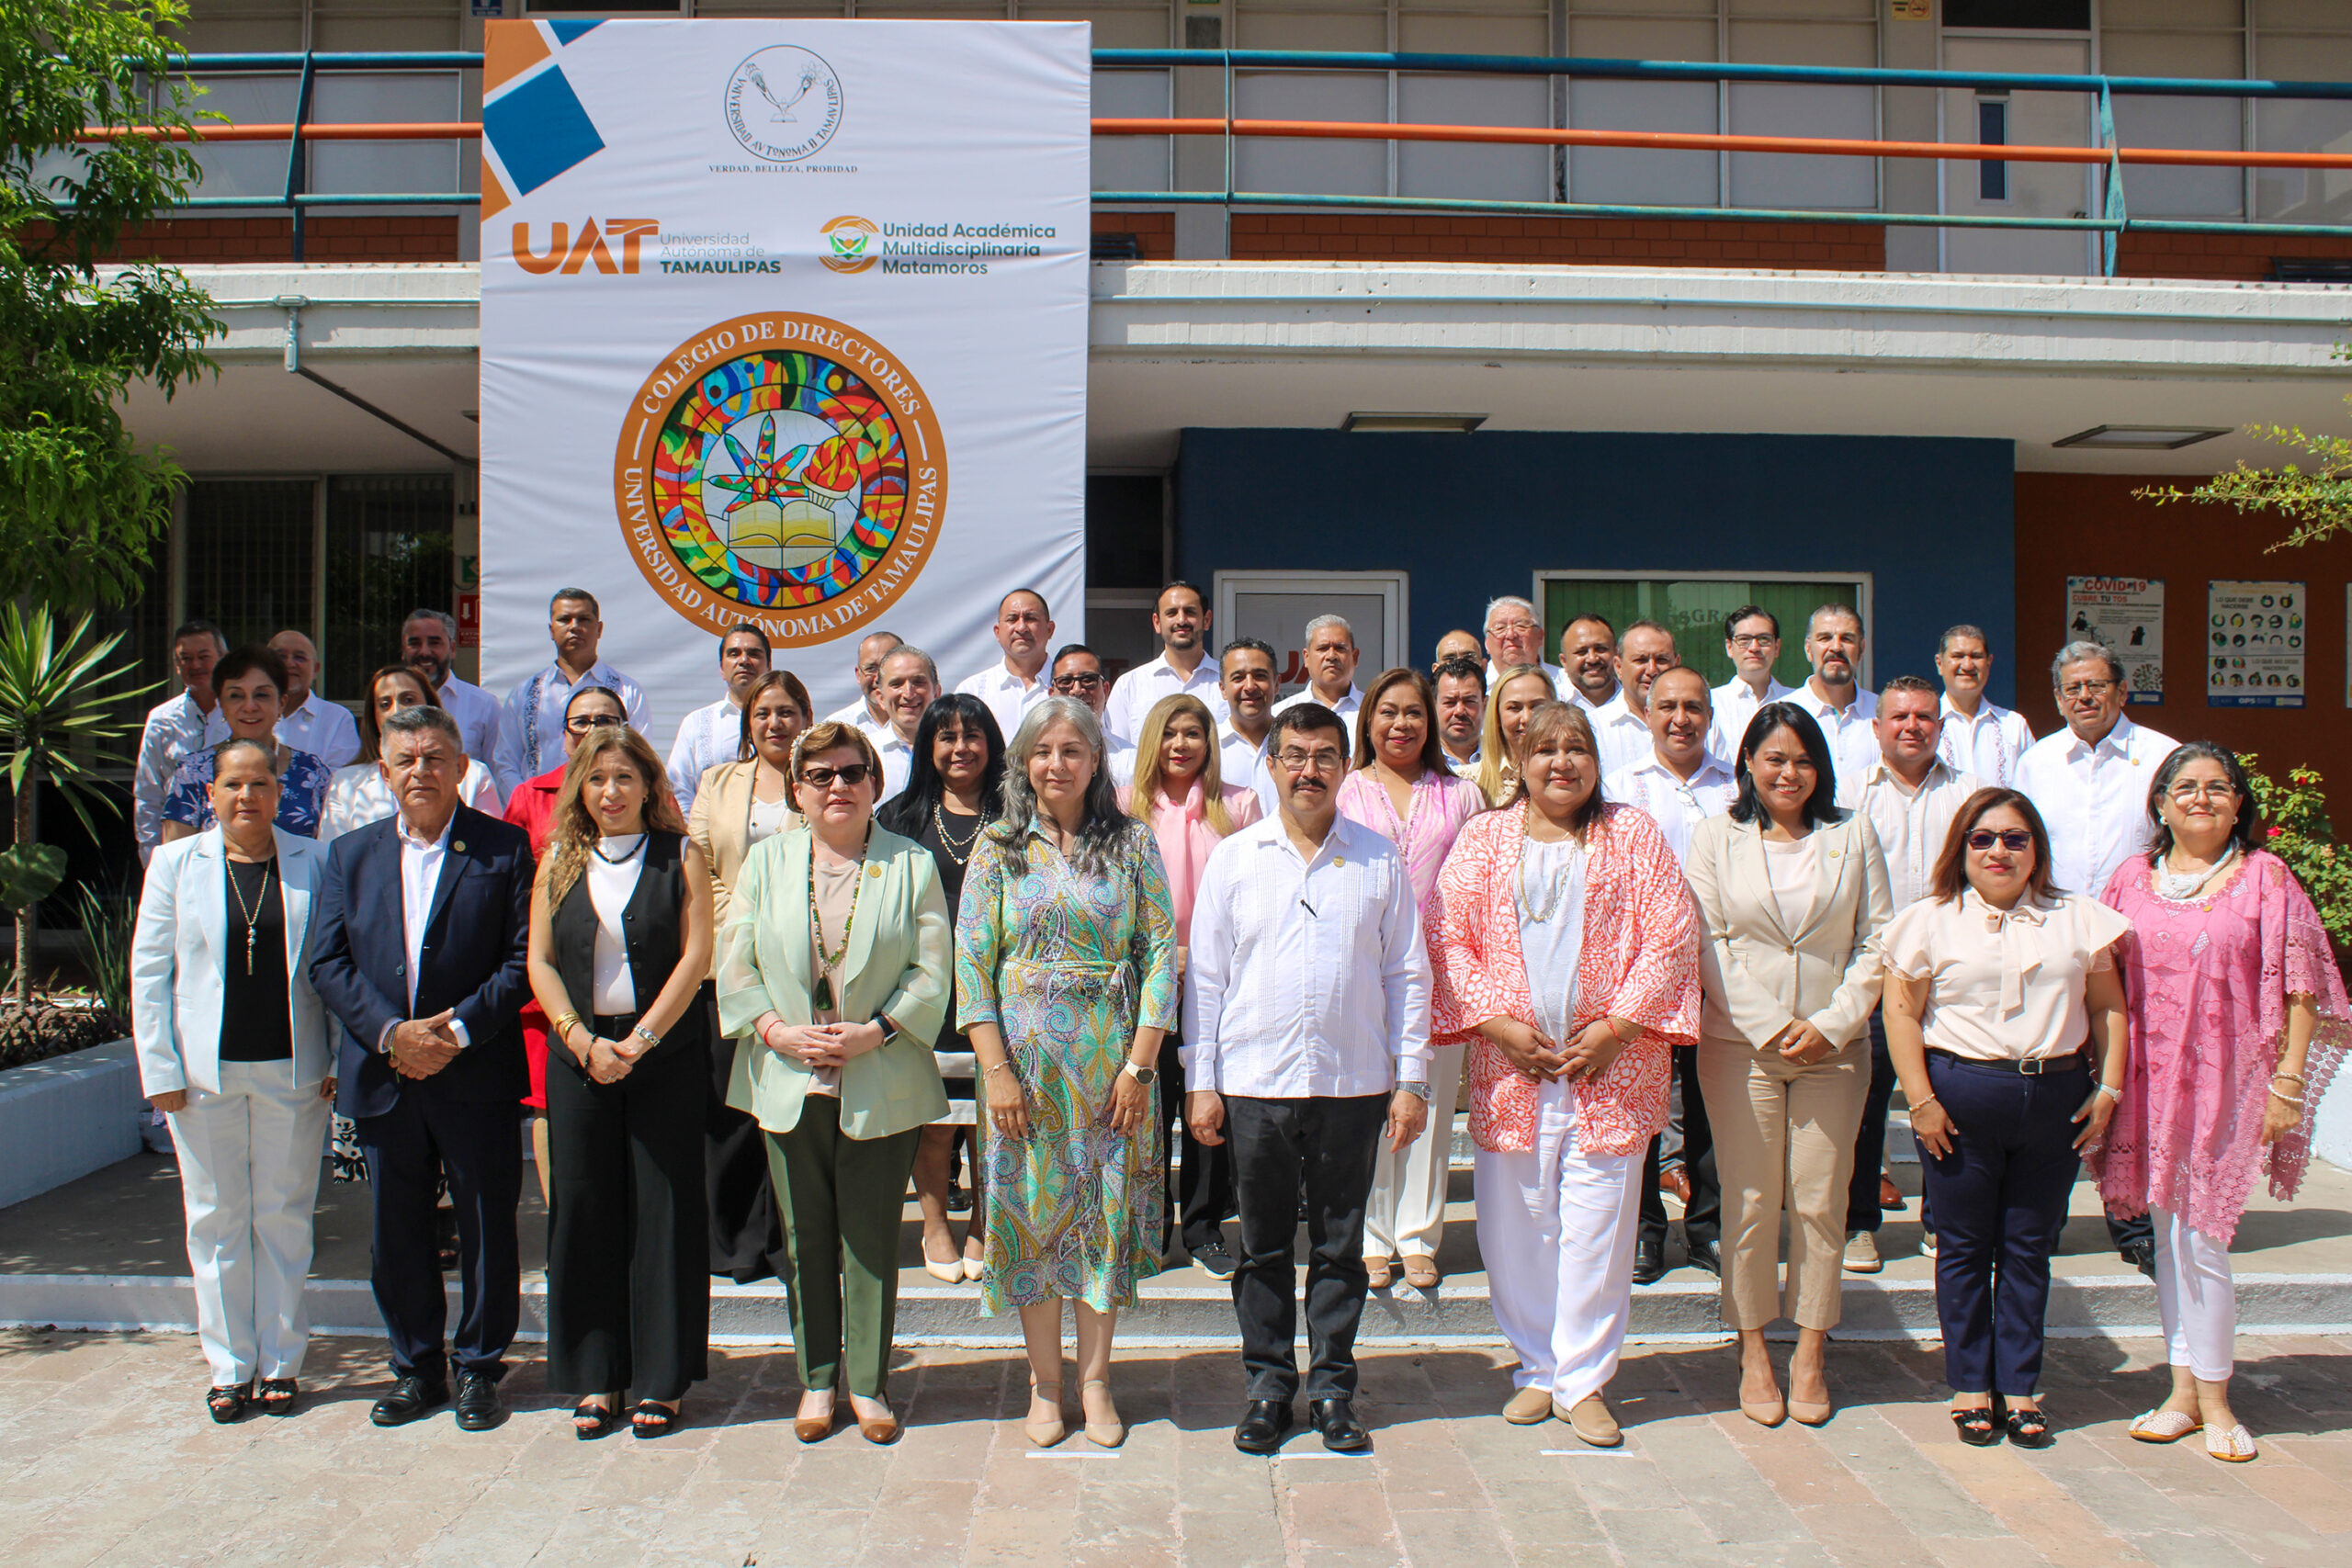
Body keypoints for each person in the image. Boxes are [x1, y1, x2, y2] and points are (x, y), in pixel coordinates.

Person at [1430, 702, 1702, 1445]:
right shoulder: (1485, 836)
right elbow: (1447, 934)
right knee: (1516, 1224)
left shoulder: (1633, 833)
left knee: (1597, 1228)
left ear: (1596, 759)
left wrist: (1617, 1028)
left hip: (1610, 1066)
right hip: (1511, 1066)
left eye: (1576, 747)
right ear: (1517, 759)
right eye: (1543, 748)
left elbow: (1673, 933)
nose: (1561, 762)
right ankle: (1536, 1368)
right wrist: (1496, 1023)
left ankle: (1584, 1379)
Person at [2092, 743, 2348, 1463]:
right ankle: (2180, 1390)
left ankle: (2215, 1396)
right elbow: (2099, 980)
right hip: (2148, 1083)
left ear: (2240, 803)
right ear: (2160, 802)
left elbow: (2305, 988)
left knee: (2202, 1239)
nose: (2200, 798)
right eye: (2185, 787)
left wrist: (2289, 1082)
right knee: (2166, 1243)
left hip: (2230, 1085)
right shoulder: (2130, 880)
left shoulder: (2266, 877)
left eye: (2217, 787)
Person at [1185, 703, 1430, 1456]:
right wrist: (1202, 1078)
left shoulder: (1379, 858)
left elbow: (1407, 973)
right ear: (1271, 764)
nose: (1309, 770)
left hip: (1352, 1081)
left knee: (1339, 1246)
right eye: (1294, 755)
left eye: (1325, 755)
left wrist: (1412, 1076)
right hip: (1255, 1079)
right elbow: (1206, 977)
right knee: (1260, 1247)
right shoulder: (1236, 857)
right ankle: (1266, 1386)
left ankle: (1331, 1388)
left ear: (1344, 766)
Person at [956, 696, 1178, 1450]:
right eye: (1043, 751)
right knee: (1028, 1218)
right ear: (1023, 761)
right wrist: (998, 1072)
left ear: (1094, 761)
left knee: (1102, 1220)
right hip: (1022, 1064)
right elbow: (971, 966)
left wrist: (1141, 1067)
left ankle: (1096, 1380)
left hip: (1109, 1061)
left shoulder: (1133, 845)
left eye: (1071, 750)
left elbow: (1160, 958)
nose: (1057, 764)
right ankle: (1044, 1386)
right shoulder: (997, 848)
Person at [722, 720, 953, 1446]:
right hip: (788, 1073)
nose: (837, 786)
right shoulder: (767, 862)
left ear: (875, 783)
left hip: (878, 1072)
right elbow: (738, 964)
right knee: (805, 1235)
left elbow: (933, 969)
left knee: (871, 1237)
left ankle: (869, 1383)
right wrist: (774, 1030)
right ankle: (818, 1378)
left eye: (851, 772)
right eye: (819, 775)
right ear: (797, 790)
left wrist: (876, 1031)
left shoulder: (910, 863)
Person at [309, 705, 535, 1432]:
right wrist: (390, 1034)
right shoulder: (351, 855)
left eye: (435, 757)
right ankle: (417, 1368)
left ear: (461, 764)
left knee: (485, 1225)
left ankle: (477, 1367)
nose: (421, 771)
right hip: (386, 1073)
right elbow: (328, 962)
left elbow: (522, 960)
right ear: (383, 770)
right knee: (395, 1231)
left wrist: (458, 1030)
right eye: (405, 759)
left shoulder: (504, 848)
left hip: (475, 1073)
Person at [1882, 789, 2129, 1450]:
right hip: (1962, 1099)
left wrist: (2108, 1086)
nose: (1999, 851)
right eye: (1983, 838)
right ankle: (1969, 1382)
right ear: (1961, 848)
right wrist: (1922, 1100)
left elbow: (2108, 1006)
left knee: (2027, 1246)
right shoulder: (1929, 919)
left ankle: (2018, 1385)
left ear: (2036, 850)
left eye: (2015, 838)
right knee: (1963, 1246)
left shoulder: (2077, 917)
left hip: (2055, 1097)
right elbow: (1901, 1014)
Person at [1683, 702, 1891, 1428]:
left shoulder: (1852, 831)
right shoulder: (1716, 836)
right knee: (1745, 1203)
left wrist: (1833, 1023)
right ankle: (1751, 1352)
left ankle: (1808, 1351)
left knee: (1817, 1203)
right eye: (1774, 758)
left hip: (1835, 1052)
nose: (1788, 772)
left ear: (1819, 768)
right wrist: (1771, 1023)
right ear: (1747, 762)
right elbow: (1706, 939)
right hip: (1742, 1047)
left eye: (1802, 759)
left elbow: (1879, 939)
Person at [130, 739, 336, 1422]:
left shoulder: (315, 859)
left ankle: (281, 1364)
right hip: (201, 1077)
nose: (247, 796)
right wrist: (158, 1069)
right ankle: (229, 1367)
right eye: (233, 784)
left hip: (293, 1069)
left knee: (282, 1218)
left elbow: (334, 967)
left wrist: (334, 1059)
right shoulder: (173, 863)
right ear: (210, 793)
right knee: (216, 1220)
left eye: (260, 783)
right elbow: (149, 972)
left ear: (279, 791)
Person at [526, 722, 713, 1439]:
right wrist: (579, 1037)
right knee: (584, 1209)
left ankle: (661, 1380)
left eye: (625, 778)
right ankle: (595, 1374)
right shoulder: (560, 858)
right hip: (578, 1059)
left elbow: (697, 955)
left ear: (648, 787)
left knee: (664, 1212)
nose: (611, 792)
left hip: (660, 1054)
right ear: (581, 787)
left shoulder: (679, 855)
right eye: (598, 779)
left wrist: (638, 1040)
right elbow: (540, 959)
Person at [2013, 638, 2176, 1268]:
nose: (2085, 696)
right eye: (2073, 688)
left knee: (2130, 1081)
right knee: (2055, 1080)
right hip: (2054, 942)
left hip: (2138, 947)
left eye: (2097, 685)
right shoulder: (2037, 760)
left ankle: (2132, 1219)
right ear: (2057, 697)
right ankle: (2044, 1216)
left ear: (2121, 690)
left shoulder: (2159, 755)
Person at [1335, 669, 1482, 1292]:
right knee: (1370, 1102)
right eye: (1388, 712)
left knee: (1428, 1101)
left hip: (1442, 971)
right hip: (1363, 968)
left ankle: (1418, 1234)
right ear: (1367, 721)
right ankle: (1371, 1235)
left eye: (1414, 712)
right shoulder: (1344, 790)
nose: (1402, 724)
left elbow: (1480, 886)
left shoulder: (1464, 795)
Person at [1833, 675, 1983, 1276]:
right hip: (1874, 973)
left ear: (1940, 726)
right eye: (1899, 717)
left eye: (1924, 716)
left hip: (1953, 976)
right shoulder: (1848, 795)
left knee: (1949, 1096)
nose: (1911, 725)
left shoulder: (1972, 794)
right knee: (1863, 1104)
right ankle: (1857, 1224)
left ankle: (1942, 1220)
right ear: (1878, 727)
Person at [1119, 692, 1262, 1277]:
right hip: (1142, 980)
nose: (1182, 745)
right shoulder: (1124, 805)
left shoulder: (1240, 805)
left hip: (1218, 981)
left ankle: (1204, 1227)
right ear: (1155, 738)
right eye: (1171, 733)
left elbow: (1256, 891)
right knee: (1148, 1105)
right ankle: (1148, 1227)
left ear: (1210, 743)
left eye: (1194, 734)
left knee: (1208, 1105)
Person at [1605, 665, 1737, 1285]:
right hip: (1642, 971)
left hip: (1720, 968)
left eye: (1693, 706)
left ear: (1709, 716)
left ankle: (1708, 1228)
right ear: (1648, 714)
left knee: (1710, 1102)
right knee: (1644, 1105)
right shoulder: (1620, 786)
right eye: (1668, 707)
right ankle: (1643, 1232)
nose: (1681, 718)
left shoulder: (1737, 785)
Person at [876, 694, 1007, 1285]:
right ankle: (933, 1223)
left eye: (973, 736)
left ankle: (985, 1219)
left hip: (1000, 990)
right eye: (947, 737)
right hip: (922, 989)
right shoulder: (898, 817)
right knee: (933, 1117)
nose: (961, 748)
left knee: (992, 1114)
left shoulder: (1018, 815)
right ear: (928, 747)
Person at [687, 670, 810, 1282]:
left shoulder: (819, 780)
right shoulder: (718, 781)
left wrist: (775, 926)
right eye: (764, 712)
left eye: (787, 711)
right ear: (748, 721)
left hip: (796, 968)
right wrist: (745, 922)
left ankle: (788, 1240)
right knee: (729, 1110)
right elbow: (700, 860)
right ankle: (735, 1240)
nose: (775, 722)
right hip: (725, 965)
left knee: (786, 1108)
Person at [504, 684, 636, 1205]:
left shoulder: (651, 793)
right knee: (548, 1110)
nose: (594, 728)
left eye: (607, 718)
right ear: (563, 737)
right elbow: (511, 893)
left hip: (632, 985)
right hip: (552, 990)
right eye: (582, 721)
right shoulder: (530, 797)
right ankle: (568, 1220)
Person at [160, 647, 334, 843]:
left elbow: (330, 852)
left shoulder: (312, 771)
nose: (249, 706)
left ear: (281, 703)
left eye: (261, 695)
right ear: (221, 705)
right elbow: (176, 856)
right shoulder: (193, 772)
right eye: (236, 696)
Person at [493, 588, 650, 798]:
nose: (574, 627)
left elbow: (639, 759)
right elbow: (506, 762)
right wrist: (528, 805)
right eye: (564, 619)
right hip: (539, 814)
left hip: (607, 809)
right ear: (551, 629)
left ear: (599, 629)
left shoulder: (627, 691)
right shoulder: (523, 694)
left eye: (584, 619)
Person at [320, 665, 500, 841]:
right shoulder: (346, 783)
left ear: (429, 705)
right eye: (385, 704)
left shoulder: (474, 776)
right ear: (373, 715)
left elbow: (492, 849)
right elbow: (334, 859)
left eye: (408, 700)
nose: (397, 711)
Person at [135, 620, 228, 865]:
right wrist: (151, 858)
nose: (195, 665)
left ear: (223, 658)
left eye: (203, 656)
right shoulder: (161, 719)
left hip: (232, 847)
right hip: (177, 847)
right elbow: (148, 794)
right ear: (177, 666)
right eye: (186, 659)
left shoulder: (242, 713)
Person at [665, 623, 773, 817]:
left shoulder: (785, 721)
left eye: (754, 653)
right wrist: (696, 838)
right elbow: (679, 787)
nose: (744, 660)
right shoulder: (697, 722)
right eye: (734, 653)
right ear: (722, 668)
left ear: (769, 666)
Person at [1103, 581, 1226, 745]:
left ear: (1207, 620)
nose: (1181, 620)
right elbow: (1116, 752)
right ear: (1157, 622)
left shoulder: (1230, 682)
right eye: (1172, 613)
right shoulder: (1130, 685)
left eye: (1190, 612)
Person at [401, 608, 501, 775]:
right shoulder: (390, 705)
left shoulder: (484, 706)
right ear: (404, 651)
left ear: (452, 649)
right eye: (415, 643)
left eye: (434, 642)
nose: (424, 651)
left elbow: (497, 774)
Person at [1786, 604, 1878, 782]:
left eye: (1847, 639)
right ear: (1808, 649)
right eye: (1825, 638)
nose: (1836, 647)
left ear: (1862, 648)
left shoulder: (1883, 714)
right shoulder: (1781, 713)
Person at [1935, 624, 2033, 787]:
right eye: (1958, 656)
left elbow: (2032, 788)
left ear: (1989, 662)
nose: (1967, 665)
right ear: (1940, 664)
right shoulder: (1925, 725)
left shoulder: (2014, 725)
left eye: (1976, 656)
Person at [955, 589, 1056, 742]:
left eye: (1030, 618)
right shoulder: (973, 691)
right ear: (997, 632)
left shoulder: (1071, 687)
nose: (1021, 627)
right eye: (1012, 619)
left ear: (1050, 630)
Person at [1588, 619, 1674, 781]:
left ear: (1677, 663)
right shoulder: (1594, 728)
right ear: (1618, 667)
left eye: (1662, 660)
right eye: (1641, 660)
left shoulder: (1702, 726)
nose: (1652, 670)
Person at [263, 630, 363, 770]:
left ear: (316, 669)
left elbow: (342, 778)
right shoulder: (249, 712)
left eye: (299, 657)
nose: (289, 664)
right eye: (280, 657)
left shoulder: (338, 718)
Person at [1708, 605, 1793, 761]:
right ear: (1729, 648)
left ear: (1777, 647)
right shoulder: (1711, 703)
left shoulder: (1796, 701)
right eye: (1744, 640)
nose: (1754, 648)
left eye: (1764, 639)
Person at [1271, 615, 1364, 747]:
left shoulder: (1373, 713)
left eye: (1340, 648)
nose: (1331, 656)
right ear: (1306, 658)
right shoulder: (1278, 715)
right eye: (1323, 648)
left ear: (1355, 657)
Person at [1049, 643, 1136, 784]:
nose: (1077, 690)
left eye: (1088, 680)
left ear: (1106, 690)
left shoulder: (1132, 759)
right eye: (1066, 682)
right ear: (1051, 694)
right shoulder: (1038, 759)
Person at [1474, 664, 1555, 807]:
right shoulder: (1469, 782)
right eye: (1514, 708)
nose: (1526, 718)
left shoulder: (1570, 776)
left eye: (1537, 706)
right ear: (1497, 716)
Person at [1216, 637, 1280, 811]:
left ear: (1277, 684)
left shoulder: (1296, 745)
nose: (1250, 686)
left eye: (1260, 676)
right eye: (1238, 678)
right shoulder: (1209, 748)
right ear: (1223, 689)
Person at [872, 645, 939, 798]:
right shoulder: (867, 754)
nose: (908, 693)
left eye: (918, 682)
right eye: (896, 684)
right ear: (881, 698)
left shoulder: (957, 754)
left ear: (937, 692)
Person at [822, 629, 901, 736]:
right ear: (858, 675)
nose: (878, 677)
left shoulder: (923, 724)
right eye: (871, 668)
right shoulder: (836, 728)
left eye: (887, 667)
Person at [1483, 596, 1562, 696]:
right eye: (1500, 628)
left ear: (1540, 637)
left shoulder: (1567, 685)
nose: (1511, 635)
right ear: (1487, 643)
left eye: (1521, 626)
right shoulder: (1474, 687)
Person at [1433, 655, 1486, 778]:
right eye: (1450, 702)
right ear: (1432, 706)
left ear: (1485, 704)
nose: (1459, 711)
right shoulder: (1418, 763)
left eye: (1469, 701)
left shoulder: (1504, 761)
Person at [1557, 614, 1621, 716]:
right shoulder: (1549, 703)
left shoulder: (1639, 706)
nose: (1592, 659)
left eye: (1601, 649)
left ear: (1616, 653)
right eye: (1582, 652)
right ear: (1564, 661)